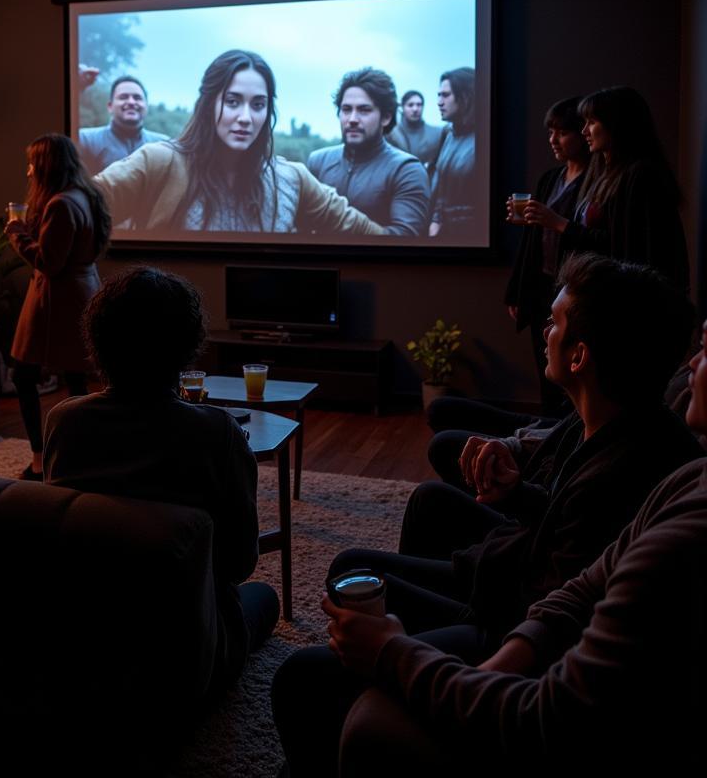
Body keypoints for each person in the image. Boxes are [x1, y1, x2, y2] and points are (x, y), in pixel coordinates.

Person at [271, 254, 702, 777]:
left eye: (556, 323)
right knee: (355, 566)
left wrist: (406, 655)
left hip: (500, 620)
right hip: (508, 596)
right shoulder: (598, 420)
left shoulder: (640, 468)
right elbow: (569, 562)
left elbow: (544, 610)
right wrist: (516, 491)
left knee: (302, 674)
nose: (545, 331)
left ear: (579, 356)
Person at [44, 266, 279, 693]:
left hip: (91, 634)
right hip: (187, 654)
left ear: (97, 339)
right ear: (187, 345)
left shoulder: (63, 421)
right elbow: (239, 565)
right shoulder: (217, 434)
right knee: (265, 598)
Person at [93, 50, 387, 236]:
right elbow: (82, 206)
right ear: (209, 104)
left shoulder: (290, 178)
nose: (246, 117)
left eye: (258, 105)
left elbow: (366, 233)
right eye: (233, 102)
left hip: (264, 327)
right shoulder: (161, 161)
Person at [3, 133, 111, 480]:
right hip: (78, 294)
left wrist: (17, 233)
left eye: (33, 163)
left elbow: (49, 261)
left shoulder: (61, 204)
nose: (29, 171)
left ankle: (41, 459)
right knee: (76, 380)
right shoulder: (84, 196)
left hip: (57, 301)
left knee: (23, 374)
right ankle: (81, 455)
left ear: (47, 165)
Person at [522, 85, 689, 290]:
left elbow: (626, 247)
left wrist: (559, 223)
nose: (584, 131)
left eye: (591, 123)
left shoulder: (640, 175)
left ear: (616, 125)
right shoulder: (606, 174)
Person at [505, 97, 590, 410]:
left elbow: (597, 240)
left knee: (574, 375)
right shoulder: (550, 178)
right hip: (541, 287)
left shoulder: (596, 181)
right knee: (547, 370)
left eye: (562, 132)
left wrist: (555, 222)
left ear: (582, 134)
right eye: (551, 132)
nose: (553, 139)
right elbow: (531, 239)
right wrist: (516, 290)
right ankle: (546, 436)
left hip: (573, 291)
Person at [306, 69, 430, 236]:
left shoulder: (407, 170)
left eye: (364, 110)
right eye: (346, 109)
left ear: (386, 117)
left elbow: (405, 241)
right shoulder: (318, 161)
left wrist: (341, 216)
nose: (352, 119)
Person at [77, 74, 170, 176]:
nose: (131, 102)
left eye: (137, 98)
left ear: (146, 106)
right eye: (123, 97)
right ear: (110, 106)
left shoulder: (164, 144)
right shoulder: (85, 140)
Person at [428, 67, 478, 239]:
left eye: (446, 95)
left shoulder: (484, 139)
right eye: (439, 95)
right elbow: (441, 188)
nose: (439, 102)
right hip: (442, 235)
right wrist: (435, 220)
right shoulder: (448, 134)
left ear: (466, 96)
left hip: (471, 238)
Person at [386, 90, 443, 171]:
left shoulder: (437, 134)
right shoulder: (391, 134)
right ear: (402, 107)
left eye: (419, 105)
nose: (415, 109)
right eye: (410, 105)